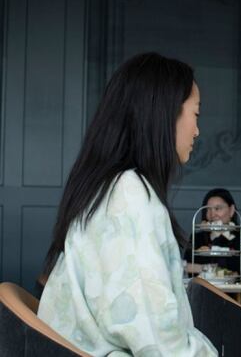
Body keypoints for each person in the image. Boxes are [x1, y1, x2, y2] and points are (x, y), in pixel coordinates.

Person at [37, 53, 217, 355]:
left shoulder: (111, 188)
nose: (197, 131)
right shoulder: (130, 196)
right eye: (195, 114)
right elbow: (156, 339)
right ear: (166, 113)